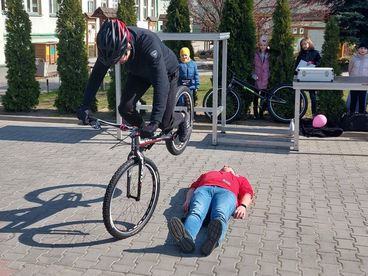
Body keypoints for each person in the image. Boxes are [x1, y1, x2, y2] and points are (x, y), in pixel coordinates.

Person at [76, 19, 191, 142]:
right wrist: (85, 105)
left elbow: (160, 85)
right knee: (125, 108)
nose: (117, 63)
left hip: (167, 73)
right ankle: (143, 133)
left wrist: (154, 122)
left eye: (119, 58)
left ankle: (183, 117)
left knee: (164, 122)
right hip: (139, 73)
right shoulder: (110, 48)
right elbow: (96, 76)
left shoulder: (148, 44)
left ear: (128, 45)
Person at [168, 165, 254, 256]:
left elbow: (248, 193)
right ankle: (186, 239)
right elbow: (193, 187)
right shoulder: (208, 173)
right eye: (224, 165)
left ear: (233, 171)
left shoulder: (239, 178)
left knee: (220, 214)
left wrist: (243, 206)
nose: (225, 165)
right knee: (196, 212)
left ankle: (213, 241)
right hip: (204, 190)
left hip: (227, 193)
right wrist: (188, 200)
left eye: (228, 165)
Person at [294, 37, 321, 116]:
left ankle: (314, 114)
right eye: (302, 45)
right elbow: (296, 66)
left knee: (313, 97)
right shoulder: (300, 54)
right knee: (300, 97)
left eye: (305, 44)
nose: (304, 46)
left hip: (312, 78)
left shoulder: (315, 53)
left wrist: (313, 62)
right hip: (302, 78)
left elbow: (320, 63)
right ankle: (299, 114)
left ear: (309, 43)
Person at [252, 35, 270, 119]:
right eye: (261, 45)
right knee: (255, 96)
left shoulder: (269, 54)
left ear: (267, 45)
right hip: (257, 78)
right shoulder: (255, 54)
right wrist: (253, 74)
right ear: (259, 45)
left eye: (264, 45)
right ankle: (255, 112)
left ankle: (261, 113)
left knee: (263, 97)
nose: (263, 47)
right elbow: (252, 65)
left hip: (265, 79)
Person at [348, 40, 368, 114]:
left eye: (365, 48)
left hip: (364, 84)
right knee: (353, 100)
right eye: (361, 48)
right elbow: (350, 70)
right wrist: (352, 79)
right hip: (354, 83)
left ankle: (361, 117)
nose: (363, 50)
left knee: (362, 101)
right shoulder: (353, 58)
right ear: (358, 49)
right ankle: (351, 116)